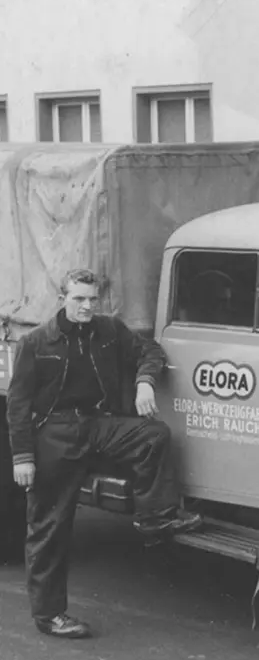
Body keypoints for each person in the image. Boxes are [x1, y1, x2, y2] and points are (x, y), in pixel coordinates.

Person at [6, 269, 202, 640]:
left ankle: (155, 519)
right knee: (49, 526)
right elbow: (17, 405)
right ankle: (49, 615)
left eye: (92, 299)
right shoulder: (36, 343)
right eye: (79, 299)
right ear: (63, 297)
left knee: (152, 435)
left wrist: (145, 381)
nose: (86, 306)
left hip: (98, 425)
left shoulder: (109, 330)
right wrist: (23, 458)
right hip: (56, 433)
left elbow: (150, 349)